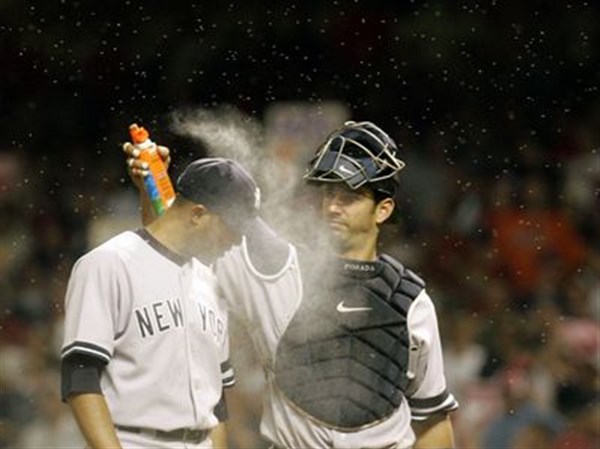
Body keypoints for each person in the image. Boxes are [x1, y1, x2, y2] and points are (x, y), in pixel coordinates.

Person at [126, 121, 458, 448]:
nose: (332, 207)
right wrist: (152, 183)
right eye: (328, 193)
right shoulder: (272, 269)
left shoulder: (410, 300)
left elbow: (433, 420)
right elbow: (177, 238)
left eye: (349, 197)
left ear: (383, 210)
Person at [60, 156, 263, 449]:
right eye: (233, 229)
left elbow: (216, 401)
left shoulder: (211, 283)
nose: (237, 241)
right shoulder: (109, 264)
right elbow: (80, 377)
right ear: (197, 214)